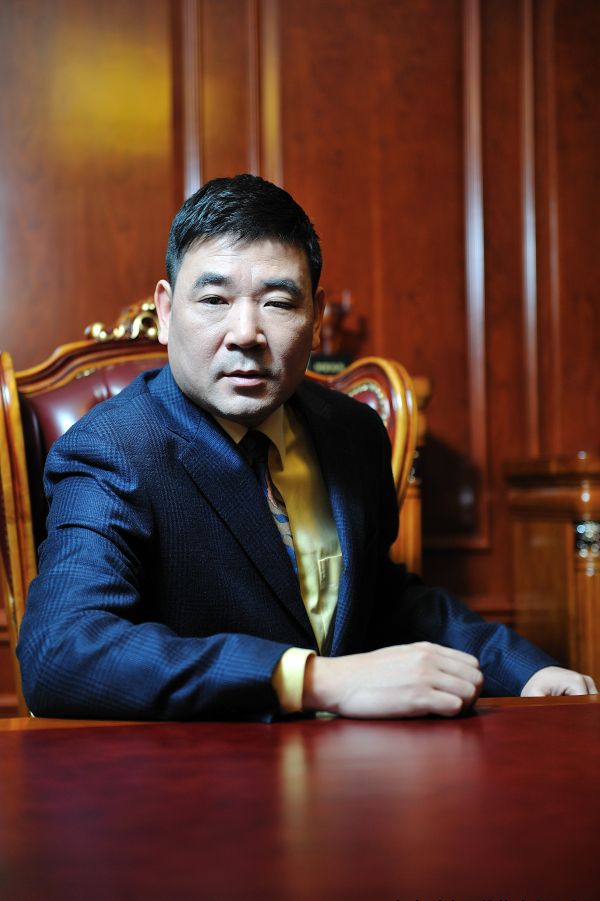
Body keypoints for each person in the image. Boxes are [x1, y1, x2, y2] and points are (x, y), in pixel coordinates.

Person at [17, 174, 597, 720]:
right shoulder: (111, 450)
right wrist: (317, 680)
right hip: (194, 774)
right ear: (166, 313)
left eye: (277, 302)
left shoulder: (353, 432)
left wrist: (523, 670)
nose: (246, 333)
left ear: (315, 318)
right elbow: (61, 651)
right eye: (214, 300)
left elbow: (383, 600)